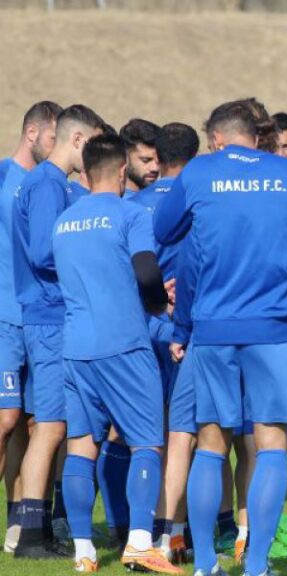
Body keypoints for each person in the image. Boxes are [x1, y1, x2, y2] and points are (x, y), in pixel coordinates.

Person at [153, 100, 287, 576]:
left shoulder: (200, 172)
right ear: (258, 136)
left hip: (213, 331)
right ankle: (257, 565)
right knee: (270, 446)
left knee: (210, 445)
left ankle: (206, 564)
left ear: (216, 138)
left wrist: (183, 326)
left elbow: (166, 233)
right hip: (274, 332)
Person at [51, 133, 181, 574]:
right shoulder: (130, 213)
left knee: (81, 447)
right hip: (123, 344)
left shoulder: (64, 222)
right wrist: (159, 305)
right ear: (123, 171)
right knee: (147, 442)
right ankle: (141, 544)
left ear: (87, 173)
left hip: (76, 348)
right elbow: (146, 271)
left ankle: (84, 552)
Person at [12, 104, 104, 559]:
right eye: (95, 145)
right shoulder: (48, 184)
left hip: (49, 317)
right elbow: (44, 252)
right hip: (49, 318)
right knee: (49, 427)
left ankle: (42, 527)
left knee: (54, 425)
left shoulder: (53, 183)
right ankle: (31, 535)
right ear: (78, 140)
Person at [129, 122, 200, 560]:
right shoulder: (197, 202)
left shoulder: (133, 204)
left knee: (144, 435)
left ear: (159, 156)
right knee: (184, 434)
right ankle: (173, 533)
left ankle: (138, 528)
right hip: (185, 329)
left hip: (144, 326)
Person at [0, 100, 62, 553]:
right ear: (32, 134)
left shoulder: (53, 186)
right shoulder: (4, 175)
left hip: (41, 320)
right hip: (4, 318)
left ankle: (23, 521)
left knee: (39, 421)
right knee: (6, 420)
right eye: (53, 138)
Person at [119, 118, 160, 199]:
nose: (155, 168)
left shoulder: (165, 199)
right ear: (124, 157)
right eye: (146, 160)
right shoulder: (114, 202)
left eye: (159, 161)